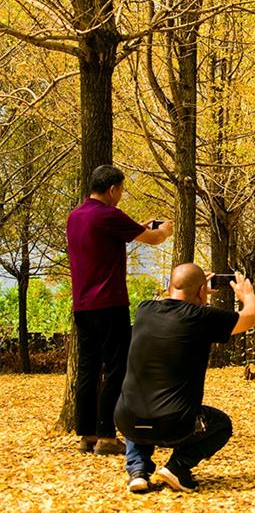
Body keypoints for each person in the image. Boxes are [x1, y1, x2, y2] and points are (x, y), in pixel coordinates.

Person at [114, 265, 255, 493]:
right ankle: (177, 467)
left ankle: (138, 471)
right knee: (221, 425)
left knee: (139, 404)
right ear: (202, 291)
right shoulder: (201, 318)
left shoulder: (144, 310)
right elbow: (249, 318)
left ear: (169, 287)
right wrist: (247, 295)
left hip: (127, 421)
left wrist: (194, 290)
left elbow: (174, 298)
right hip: (173, 425)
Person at [66, 164, 173, 455]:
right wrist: (163, 230)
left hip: (82, 305)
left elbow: (107, 235)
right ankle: (106, 435)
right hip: (110, 303)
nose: (121, 195)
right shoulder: (109, 215)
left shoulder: (75, 217)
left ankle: (86, 433)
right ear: (113, 189)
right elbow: (152, 239)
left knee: (88, 367)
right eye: (122, 189)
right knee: (116, 367)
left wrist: (139, 224)